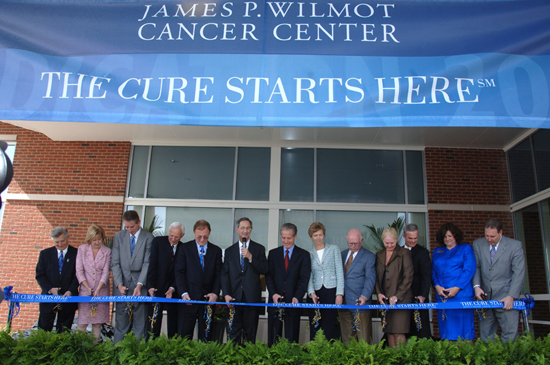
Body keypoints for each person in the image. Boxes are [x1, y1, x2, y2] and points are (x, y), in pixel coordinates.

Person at [473, 218, 526, 342]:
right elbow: (476, 267)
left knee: (509, 334)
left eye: (493, 236)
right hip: (485, 296)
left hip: (506, 296)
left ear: (500, 233)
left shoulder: (515, 245)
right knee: (486, 335)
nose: (489, 239)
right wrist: (476, 287)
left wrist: (511, 296)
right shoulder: (478, 244)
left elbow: (518, 272)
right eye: (486, 236)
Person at [221, 217, 268, 345]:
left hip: (251, 299)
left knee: (250, 335)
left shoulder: (259, 249)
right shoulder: (229, 251)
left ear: (251, 230)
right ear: (237, 229)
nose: (245, 231)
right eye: (242, 228)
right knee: (233, 334)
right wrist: (226, 294)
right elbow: (225, 275)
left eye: (248, 228)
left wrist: (251, 257)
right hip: (234, 298)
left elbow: (265, 269)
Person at [175, 219, 223, 340]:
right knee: (185, 334)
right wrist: (183, 293)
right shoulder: (185, 249)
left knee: (207, 335)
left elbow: (219, 274)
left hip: (207, 299)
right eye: (199, 237)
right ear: (194, 233)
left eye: (205, 237)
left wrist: (215, 293)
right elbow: (179, 272)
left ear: (209, 234)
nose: (202, 240)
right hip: (188, 298)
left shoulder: (216, 251)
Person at [111, 210, 154, 343]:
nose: (129, 230)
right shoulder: (118, 236)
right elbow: (115, 262)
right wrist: (119, 284)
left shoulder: (148, 238)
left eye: (132, 227)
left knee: (140, 324)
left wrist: (140, 284)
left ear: (139, 223)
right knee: (121, 323)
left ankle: (137, 355)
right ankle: (117, 354)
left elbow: (147, 263)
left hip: (140, 286)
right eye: (127, 227)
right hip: (122, 285)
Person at [266, 223, 311, 346]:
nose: (286, 241)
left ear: (295, 236)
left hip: (293, 302)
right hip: (275, 301)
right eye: (283, 238)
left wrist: (298, 296)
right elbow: (268, 276)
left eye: (289, 238)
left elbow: (304, 279)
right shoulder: (273, 254)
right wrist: (273, 293)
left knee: (292, 339)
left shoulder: (303, 255)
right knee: (274, 339)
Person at [432, 223, 475, 340]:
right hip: (442, 296)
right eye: (445, 236)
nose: (447, 239)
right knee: (446, 331)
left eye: (450, 236)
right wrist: (437, 286)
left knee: (463, 332)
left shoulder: (465, 248)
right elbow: (433, 271)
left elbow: (469, 270)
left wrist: (456, 288)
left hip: (461, 295)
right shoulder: (437, 251)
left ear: (456, 236)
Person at [35, 227, 79, 332]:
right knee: (43, 330)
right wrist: (50, 289)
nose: (60, 244)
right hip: (48, 298)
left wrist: (70, 290)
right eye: (56, 242)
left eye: (62, 241)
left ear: (68, 237)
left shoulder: (77, 253)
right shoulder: (45, 254)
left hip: (68, 298)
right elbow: (40, 275)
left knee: (64, 331)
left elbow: (78, 275)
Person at [375, 227, 413, 347]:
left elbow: (408, 276)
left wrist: (398, 295)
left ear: (397, 240)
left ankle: (402, 358)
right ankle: (393, 358)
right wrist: (379, 293)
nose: (389, 245)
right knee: (389, 331)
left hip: (400, 299)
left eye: (392, 243)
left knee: (399, 331)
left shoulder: (404, 253)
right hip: (385, 300)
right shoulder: (379, 254)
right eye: (386, 243)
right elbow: (375, 276)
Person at [146, 222, 185, 339]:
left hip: (174, 290)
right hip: (157, 287)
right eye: (171, 235)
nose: (173, 239)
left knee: (173, 323)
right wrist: (150, 286)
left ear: (182, 236)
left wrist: (173, 288)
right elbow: (152, 265)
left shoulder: (183, 248)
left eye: (176, 237)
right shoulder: (158, 242)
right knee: (153, 323)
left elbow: (181, 271)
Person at [306, 222, 344, 341]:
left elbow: (339, 272)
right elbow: (308, 275)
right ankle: (315, 353)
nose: (318, 238)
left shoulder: (334, 249)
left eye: (320, 235)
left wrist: (339, 293)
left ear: (324, 235)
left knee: (329, 324)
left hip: (330, 289)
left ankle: (329, 353)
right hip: (315, 293)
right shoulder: (308, 253)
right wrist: (311, 292)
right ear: (311, 237)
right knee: (315, 323)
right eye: (315, 235)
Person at [338, 228, 376, 344]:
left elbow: (370, 278)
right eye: (351, 243)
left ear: (362, 240)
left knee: (363, 337)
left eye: (356, 243)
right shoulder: (342, 254)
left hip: (361, 302)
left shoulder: (369, 256)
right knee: (347, 337)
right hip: (344, 302)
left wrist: (364, 296)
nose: (353, 246)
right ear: (346, 241)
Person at [76, 224, 112, 341]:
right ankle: (79, 347)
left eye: (99, 239)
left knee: (97, 324)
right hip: (85, 291)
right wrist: (87, 288)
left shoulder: (107, 251)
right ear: (89, 239)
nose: (97, 242)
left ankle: (95, 348)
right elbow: (79, 271)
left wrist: (98, 289)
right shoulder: (82, 249)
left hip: (101, 291)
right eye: (94, 240)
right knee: (82, 323)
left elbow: (106, 273)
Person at [403, 223, 432, 339]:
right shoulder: (398, 251)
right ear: (404, 237)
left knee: (421, 331)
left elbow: (427, 276)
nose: (413, 241)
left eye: (416, 238)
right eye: (410, 238)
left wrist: (423, 295)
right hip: (403, 298)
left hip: (418, 297)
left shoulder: (423, 252)